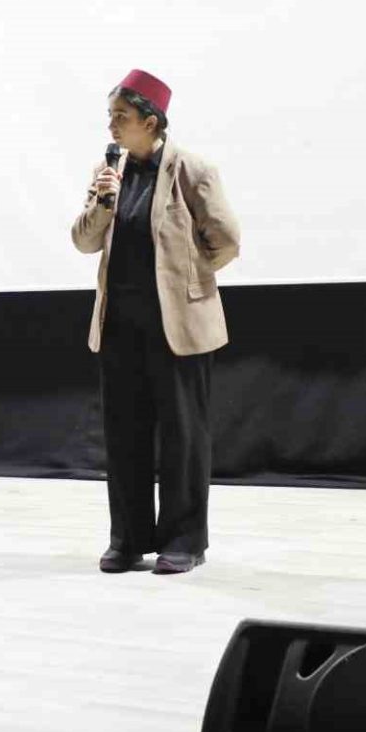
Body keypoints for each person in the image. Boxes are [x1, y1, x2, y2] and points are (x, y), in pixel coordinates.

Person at [71, 70, 241, 575]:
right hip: (121, 326)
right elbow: (83, 241)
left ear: (150, 121)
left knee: (183, 436)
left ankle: (185, 541)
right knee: (124, 434)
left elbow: (226, 240)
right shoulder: (108, 171)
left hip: (177, 327)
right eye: (110, 116)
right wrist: (103, 202)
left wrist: (188, 280)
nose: (111, 126)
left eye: (120, 117)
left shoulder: (192, 170)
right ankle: (128, 539)